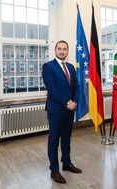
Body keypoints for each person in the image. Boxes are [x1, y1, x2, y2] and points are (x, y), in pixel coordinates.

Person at [42, 40, 81, 184]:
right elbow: (51, 89)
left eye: (65, 49)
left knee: (66, 138)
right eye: (59, 48)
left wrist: (75, 101)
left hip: (70, 110)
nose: (62, 51)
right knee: (54, 140)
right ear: (55, 50)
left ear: (67, 51)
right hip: (56, 110)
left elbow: (76, 86)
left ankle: (66, 163)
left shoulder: (70, 67)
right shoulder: (48, 66)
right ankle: (54, 170)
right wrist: (67, 102)